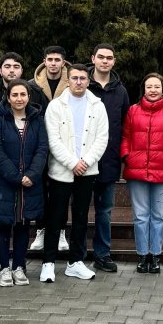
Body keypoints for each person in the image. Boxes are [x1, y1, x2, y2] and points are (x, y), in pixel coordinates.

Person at [42, 63, 107, 283]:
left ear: (89, 81)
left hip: (87, 172)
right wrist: (72, 163)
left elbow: (102, 138)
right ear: (67, 80)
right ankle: (48, 263)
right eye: (74, 78)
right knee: (55, 217)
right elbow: (53, 140)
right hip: (61, 172)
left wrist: (85, 162)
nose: (78, 82)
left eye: (82, 78)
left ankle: (75, 262)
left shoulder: (97, 105)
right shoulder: (55, 106)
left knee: (81, 217)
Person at [0, 80, 48, 286]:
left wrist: (32, 174)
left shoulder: (37, 121)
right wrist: (16, 177)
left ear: (29, 96)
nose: (19, 99)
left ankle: (19, 266)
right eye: (15, 95)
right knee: (2, 225)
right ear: (8, 97)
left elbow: (42, 149)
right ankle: (4, 268)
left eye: (23, 94)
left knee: (23, 224)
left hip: (31, 183)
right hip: (4, 182)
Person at [122, 73, 163, 273]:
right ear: (144, 89)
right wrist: (127, 157)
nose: (152, 90)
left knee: (158, 216)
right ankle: (142, 255)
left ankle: (156, 255)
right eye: (149, 86)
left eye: (156, 86)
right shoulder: (133, 111)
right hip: (137, 171)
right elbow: (125, 137)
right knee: (140, 216)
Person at [89, 43, 130, 273]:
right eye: (101, 57)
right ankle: (76, 254)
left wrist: (123, 157)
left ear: (113, 61)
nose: (105, 61)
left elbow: (125, 126)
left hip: (109, 161)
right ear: (93, 58)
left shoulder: (120, 91)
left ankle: (102, 254)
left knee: (104, 211)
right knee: (80, 208)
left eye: (109, 58)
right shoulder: (81, 85)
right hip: (83, 161)